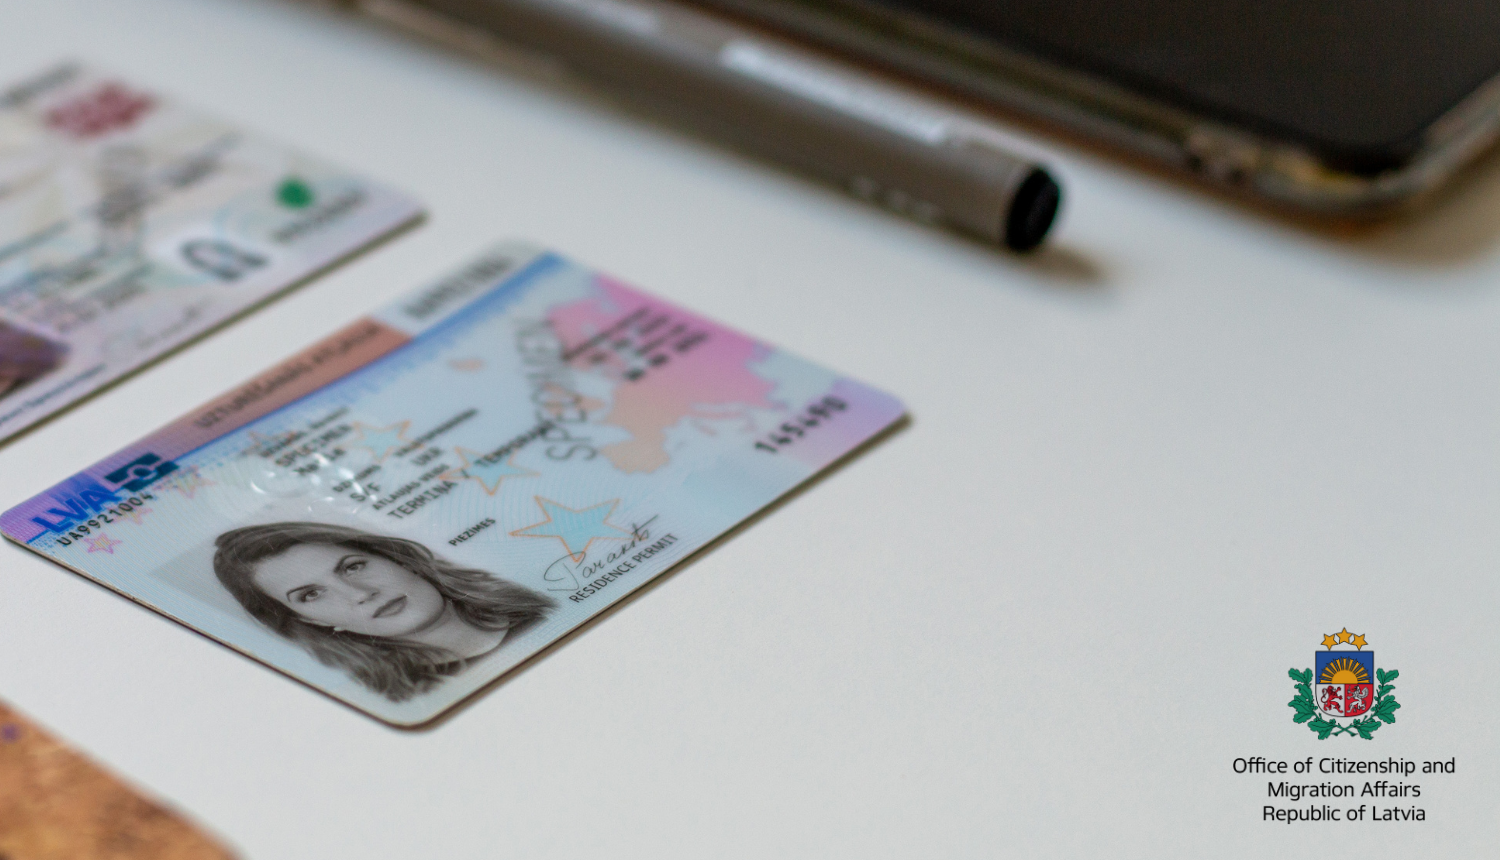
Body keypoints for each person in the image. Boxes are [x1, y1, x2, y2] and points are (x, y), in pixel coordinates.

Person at [213, 522, 554, 701]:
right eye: (311, 594)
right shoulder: (408, 697)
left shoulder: (544, 594)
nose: (360, 594)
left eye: (353, 567)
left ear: (395, 557)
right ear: (307, 619)